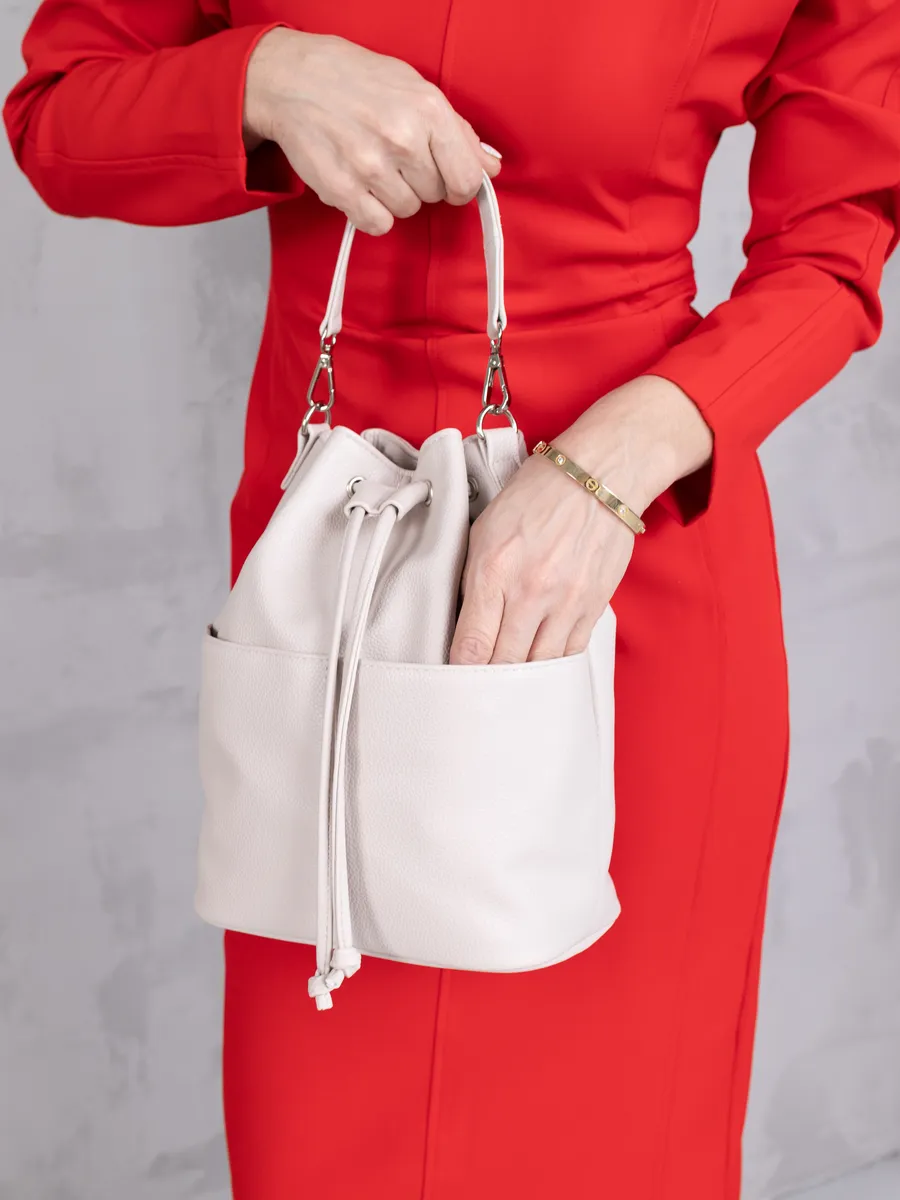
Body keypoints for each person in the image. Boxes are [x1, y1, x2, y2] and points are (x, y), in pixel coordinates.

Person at [5, 2, 900, 1197]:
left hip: (618, 571)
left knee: (613, 1143)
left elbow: (836, 242)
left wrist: (611, 471)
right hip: (331, 596)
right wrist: (265, 78)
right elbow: (58, 116)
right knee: (327, 1139)